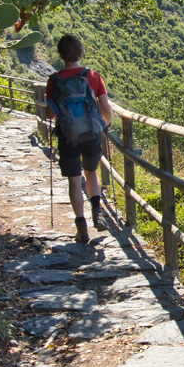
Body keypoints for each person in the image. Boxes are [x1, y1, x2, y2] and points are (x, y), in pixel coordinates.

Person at [45, 34, 113, 243]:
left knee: (74, 181)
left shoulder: (54, 80)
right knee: (91, 173)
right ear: (80, 52)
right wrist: (103, 125)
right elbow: (106, 108)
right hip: (91, 133)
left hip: (67, 135)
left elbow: (49, 114)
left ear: (60, 54)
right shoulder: (92, 75)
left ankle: (81, 226)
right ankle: (97, 211)